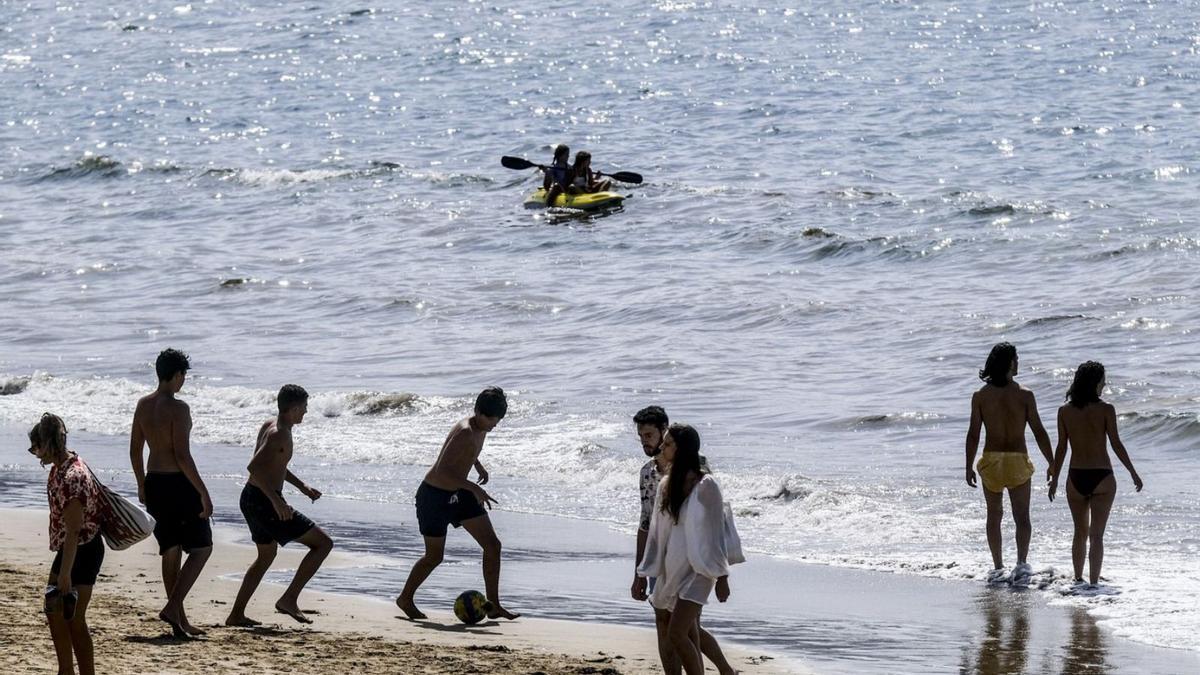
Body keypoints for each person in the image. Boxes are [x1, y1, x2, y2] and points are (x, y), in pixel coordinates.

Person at [396, 387, 519, 621]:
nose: (495, 425)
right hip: (434, 497)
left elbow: (467, 452)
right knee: (434, 557)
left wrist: (477, 465)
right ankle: (405, 598)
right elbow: (442, 471)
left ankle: (493, 605)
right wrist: (475, 487)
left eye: (498, 420)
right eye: (492, 419)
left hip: (458, 494)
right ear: (478, 412)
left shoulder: (480, 428)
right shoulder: (465, 431)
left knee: (493, 545)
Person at [630, 407, 735, 675]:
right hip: (670, 565)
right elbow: (652, 529)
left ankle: (723, 669)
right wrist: (643, 570)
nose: (658, 447)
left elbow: (717, 529)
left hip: (700, 567)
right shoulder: (661, 482)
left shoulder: (705, 483)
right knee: (671, 626)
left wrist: (722, 576)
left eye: (664, 442)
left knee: (682, 630)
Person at [226, 385, 334, 626]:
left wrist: (301, 486)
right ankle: (289, 598)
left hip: (252, 498)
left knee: (266, 556)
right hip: (264, 501)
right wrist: (277, 502)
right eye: (304, 409)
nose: (305, 413)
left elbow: (274, 464)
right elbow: (254, 467)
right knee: (323, 544)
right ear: (294, 408)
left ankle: (236, 615)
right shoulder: (280, 434)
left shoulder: (271, 426)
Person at [129, 348, 213, 636]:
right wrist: (203, 492)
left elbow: (135, 450)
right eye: (183, 376)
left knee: (171, 549)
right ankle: (173, 606)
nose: (183, 381)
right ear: (176, 375)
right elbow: (182, 456)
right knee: (202, 548)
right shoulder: (179, 408)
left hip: (154, 482)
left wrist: (141, 483)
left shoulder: (143, 405)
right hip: (178, 483)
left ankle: (179, 620)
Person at [964, 342, 1054, 584]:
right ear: (1009, 363)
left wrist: (968, 465)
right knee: (1021, 516)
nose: (1019, 362)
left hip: (991, 460)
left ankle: (997, 567)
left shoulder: (981, 396)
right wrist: (1052, 461)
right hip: (1016, 461)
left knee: (994, 515)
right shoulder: (1024, 395)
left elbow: (973, 434)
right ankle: (1021, 565)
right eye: (1016, 358)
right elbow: (1038, 431)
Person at [1049, 361, 1143, 586]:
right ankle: (1093, 586)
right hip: (1103, 477)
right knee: (1096, 536)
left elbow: (1062, 448)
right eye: (1102, 380)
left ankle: (1078, 580)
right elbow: (1116, 444)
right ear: (1095, 382)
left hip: (1075, 477)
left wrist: (1055, 478)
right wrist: (1133, 472)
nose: (1105, 384)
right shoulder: (1106, 409)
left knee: (1079, 533)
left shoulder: (1065, 411)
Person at [29, 413, 105, 675]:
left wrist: (64, 573)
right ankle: (65, 670)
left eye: (36, 448)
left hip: (84, 549)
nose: (36, 455)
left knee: (74, 618)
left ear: (48, 443)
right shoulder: (60, 468)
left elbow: (74, 529)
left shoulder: (73, 476)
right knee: (54, 609)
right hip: (70, 548)